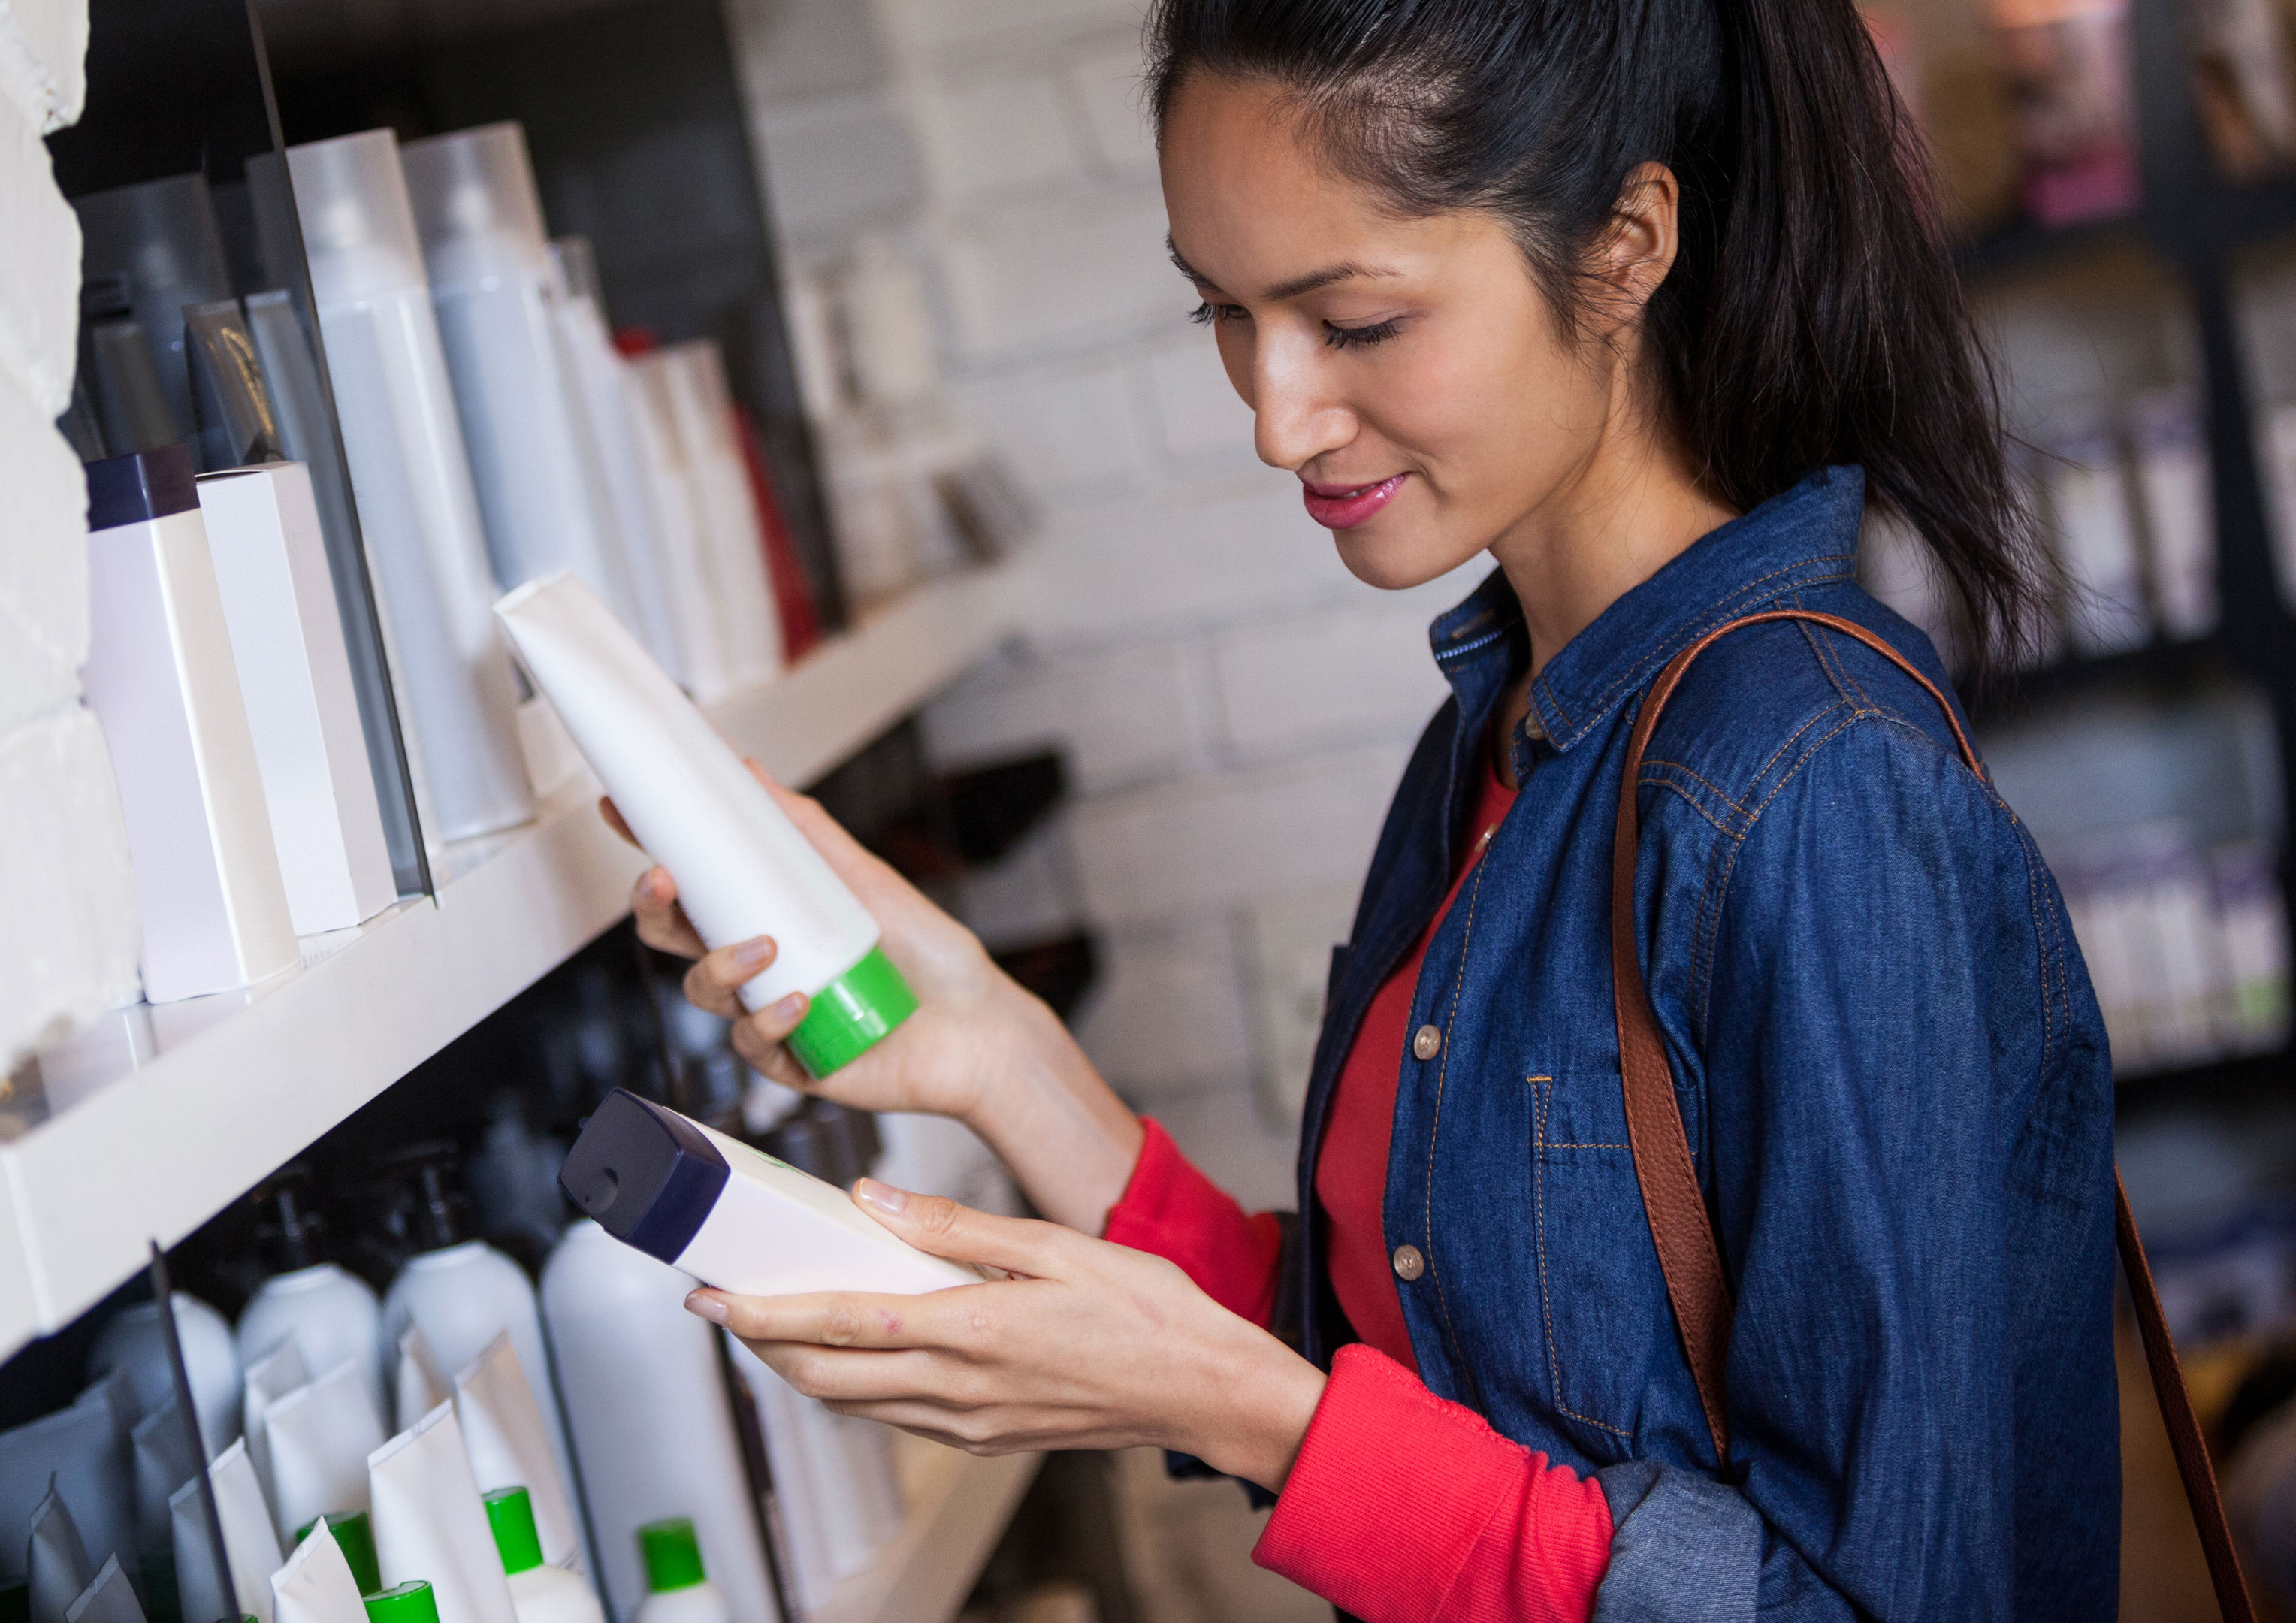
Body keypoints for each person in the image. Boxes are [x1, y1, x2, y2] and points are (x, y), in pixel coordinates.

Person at [614, 0, 2113, 1615]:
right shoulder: (1499, 746)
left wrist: (1236, 1412)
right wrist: (998, 1055)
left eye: (1357, 320)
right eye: (1227, 315)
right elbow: (1417, 1378)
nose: (1278, 417)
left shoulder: (1812, 794)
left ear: (1624, 245)